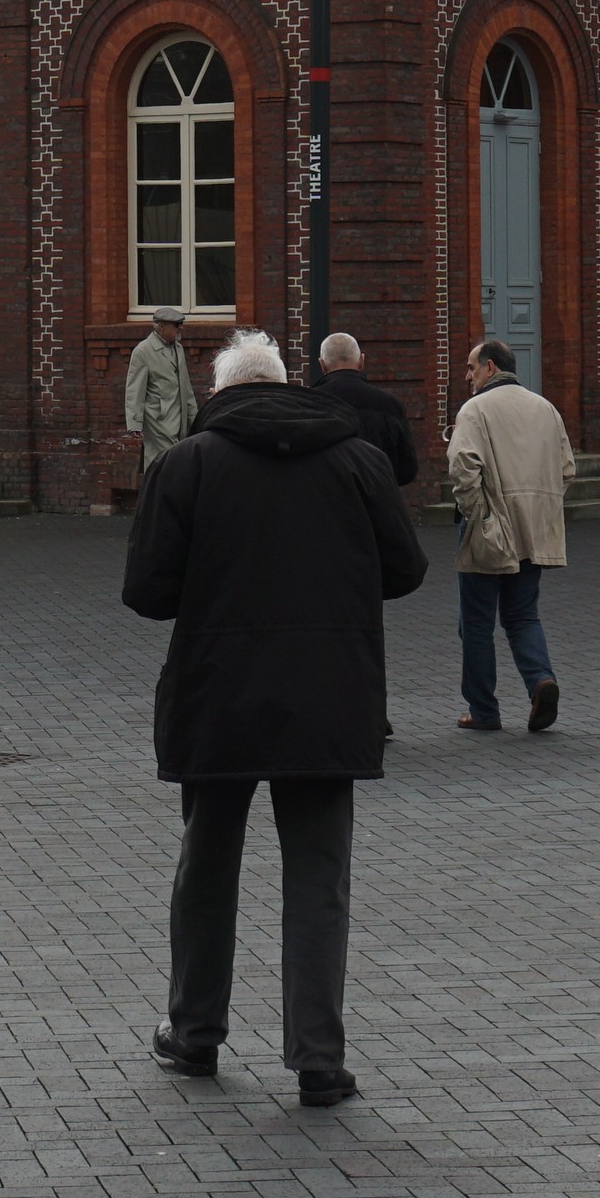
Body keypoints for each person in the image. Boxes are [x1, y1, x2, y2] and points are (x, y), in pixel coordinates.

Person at [122, 326, 426, 1109]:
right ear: (289, 382)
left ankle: (194, 1033)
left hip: (217, 695)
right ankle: (319, 1057)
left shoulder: (186, 465)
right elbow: (407, 569)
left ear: (220, 392)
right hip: (328, 696)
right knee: (320, 879)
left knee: (206, 870)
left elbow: (147, 592)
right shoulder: (358, 460)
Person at [444, 337, 572, 735]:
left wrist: (478, 513)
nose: (467, 377)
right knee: (522, 615)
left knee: (477, 623)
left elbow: (462, 468)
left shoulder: (475, 410)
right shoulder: (546, 408)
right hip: (533, 530)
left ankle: (483, 709)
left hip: (489, 526)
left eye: (471, 368)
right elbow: (566, 469)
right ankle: (541, 682)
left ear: (491, 368)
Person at [310, 332, 417, 490]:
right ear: (361, 361)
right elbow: (407, 470)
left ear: (322, 364)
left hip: (325, 504)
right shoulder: (390, 404)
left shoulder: (309, 403)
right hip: (377, 503)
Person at [123, 305, 195, 474]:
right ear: (161, 327)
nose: (181, 328)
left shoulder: (178, 348)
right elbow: (135, 389)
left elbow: (186, 386)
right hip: (158, 417)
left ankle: (165, 496)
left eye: (181, 324)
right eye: (176, 325)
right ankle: (157, 497)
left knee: (175, 461)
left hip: (179, 416)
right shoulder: (143, 351)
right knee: (164, 461)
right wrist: (135, 424)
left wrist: (194, 416)